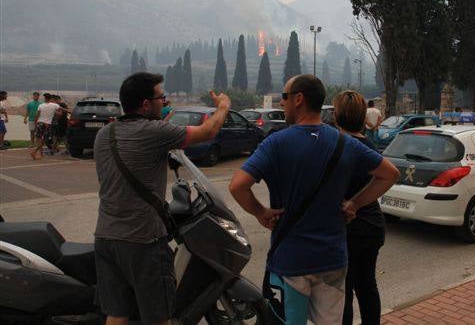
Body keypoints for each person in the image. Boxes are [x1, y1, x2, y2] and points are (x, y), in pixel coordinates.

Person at [229, 74, 399, 325]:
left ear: (299, 99)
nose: (281, 103)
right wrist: (355, 204)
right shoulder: (344, 143)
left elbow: (237, 186)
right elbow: (389, 174)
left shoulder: (276, 143)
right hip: (333, 259)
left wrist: (261, 212)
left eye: (284, 97)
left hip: (291, 261)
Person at [93, 72, 231, 325]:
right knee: (158, 317)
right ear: (146, 104)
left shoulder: (105, 134)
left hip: (106, 237)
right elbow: (209, 131)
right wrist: (223, 106)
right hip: (142, 241)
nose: (165, 102)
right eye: (161, 97)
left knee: (117, 313)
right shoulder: (154, 132)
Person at [334, 91, 386, 325]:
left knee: (343, 292)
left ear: (336, 117)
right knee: (366, 287)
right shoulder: (368, 146)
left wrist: (353, 203)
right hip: (372, 225)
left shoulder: (341, 147)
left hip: (350, 228)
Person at [31, 93, 60, 159]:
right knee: (44, 140)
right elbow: (60, 112)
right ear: (51, 98)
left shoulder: (40, 105)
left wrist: (35, 125)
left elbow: (37, 116)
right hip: (47, 124)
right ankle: (37, 152)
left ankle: (39, 153)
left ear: (45, 98)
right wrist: (55, 113)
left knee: (39, 139)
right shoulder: (54, 105)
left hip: (40, 123)